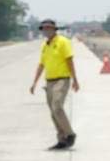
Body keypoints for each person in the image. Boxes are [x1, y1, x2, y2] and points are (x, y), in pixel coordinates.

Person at [28, 19, 79, 149]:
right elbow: (41, 65)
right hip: (49, 81)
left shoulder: (63, 42)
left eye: (48, 28)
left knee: (57, 106)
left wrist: (75, 80)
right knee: (53, 112)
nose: (46, 31)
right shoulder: (45, 45)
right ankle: (62, 140)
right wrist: (34, 82)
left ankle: (70, 134)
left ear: (54, 29)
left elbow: (69, 61)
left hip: (62, 79)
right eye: (44, 29)